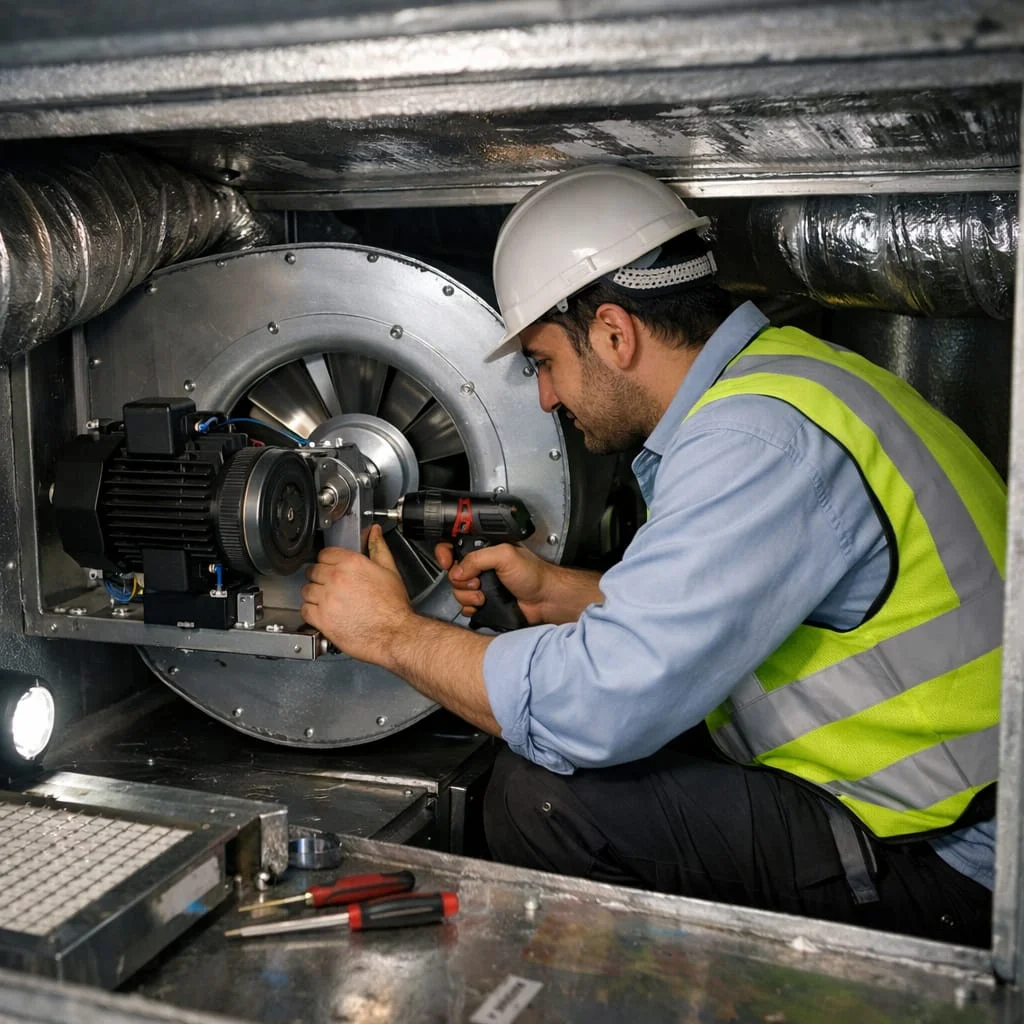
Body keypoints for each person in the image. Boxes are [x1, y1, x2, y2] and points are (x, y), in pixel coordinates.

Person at [300, 165, 1003, 946]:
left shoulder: (754, 440)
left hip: (947, 860)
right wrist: (564, 592)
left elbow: (596, 706)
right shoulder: (791, 380)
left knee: (546, 798)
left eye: (544, 363)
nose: (546, 397)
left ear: (613, 332)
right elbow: (732, 605)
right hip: (938, 812)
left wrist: (392, 633)